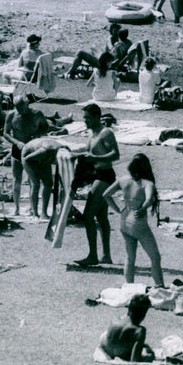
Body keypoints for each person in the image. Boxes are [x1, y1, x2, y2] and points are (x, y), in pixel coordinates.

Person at [103, 153, 165, 288]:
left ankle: (129, 286)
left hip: (125, 217)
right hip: (137, 219)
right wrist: (143, 208)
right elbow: (149, 199)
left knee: (130, 257)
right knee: (155, 257)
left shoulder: (123, 179)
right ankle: (159, 286)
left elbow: (106, 195)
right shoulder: (147, 183)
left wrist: (118, 210)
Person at [75, 104, 120, 267]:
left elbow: (115, 154)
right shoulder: (92, 133)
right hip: (98, 176)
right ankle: (106, 255)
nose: (84, 121)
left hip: (105, 176)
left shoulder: (105, 133)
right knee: (101, 217)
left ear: (96, 117)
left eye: (87, 117)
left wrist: (94, 158)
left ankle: (93, 255)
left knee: (88, 216)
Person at [3, 96, 50, 216]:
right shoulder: (11, 115)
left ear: (27, 104)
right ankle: (16, 207)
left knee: (32, 180)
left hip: (32, 149)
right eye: (17, 107)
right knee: (16, 179)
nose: (19, 110)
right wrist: (17, 142)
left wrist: (38, 135)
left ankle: (32, 207)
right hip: (17, 149)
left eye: (21, 107)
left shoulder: (37, 114)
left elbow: (45, 127)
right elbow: (5, 133)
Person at [22, 137, 68, 218]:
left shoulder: (65, 151)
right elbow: (27, 159)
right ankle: (34, 213)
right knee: (35, 184)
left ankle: (44, 213)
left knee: (48, 184)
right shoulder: (45, 151)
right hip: (28, 155)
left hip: (43, 158)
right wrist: (36, 171)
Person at [99, 294, 155, 362]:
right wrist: (150, 356)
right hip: (121, 354)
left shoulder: (115, 320)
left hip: (107, 349)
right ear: (144, 315)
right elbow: (135, 359)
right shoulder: (139, 331)